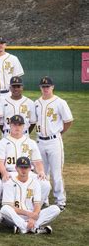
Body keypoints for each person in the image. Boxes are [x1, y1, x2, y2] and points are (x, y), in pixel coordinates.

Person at [35, 76, 73, 210]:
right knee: (41, 172)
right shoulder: (37, 103)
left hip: (54, 142)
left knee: (56, 173)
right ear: (40, 88)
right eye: (43, 86)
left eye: (48, 86)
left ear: (53, 87)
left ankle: (60, 200)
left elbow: (68, 121)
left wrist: (59, 133)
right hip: (40, 141)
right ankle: (43, 199)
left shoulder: (60, 102)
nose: (45, 89)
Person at [0, 115, 51, 205]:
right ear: (10, 125)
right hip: (11, 173)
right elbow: (0, 163)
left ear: (23, 126)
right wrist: (4, 173)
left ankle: (35, 208)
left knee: (45, 184)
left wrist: (41, 171)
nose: (17, 127)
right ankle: (11, 209)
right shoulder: (3, 142)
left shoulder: (31, 142)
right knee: (10, 184)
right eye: (14, 125)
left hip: (28, 173)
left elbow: (37, 162)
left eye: (20, 125)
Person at [1, 157, 61, 234]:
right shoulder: (9, 183)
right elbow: (10, 206)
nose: (23, 170)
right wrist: (29, 214)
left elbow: (37, 205)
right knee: (5, 209)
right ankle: (34, 228)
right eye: (21, 167)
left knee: (55, 209)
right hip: (14, 217)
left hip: (31, 216)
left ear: (30, 168)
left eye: (26, 167)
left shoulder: (35, 183)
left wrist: (33, 217)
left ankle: (25, 228)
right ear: (16, 168)